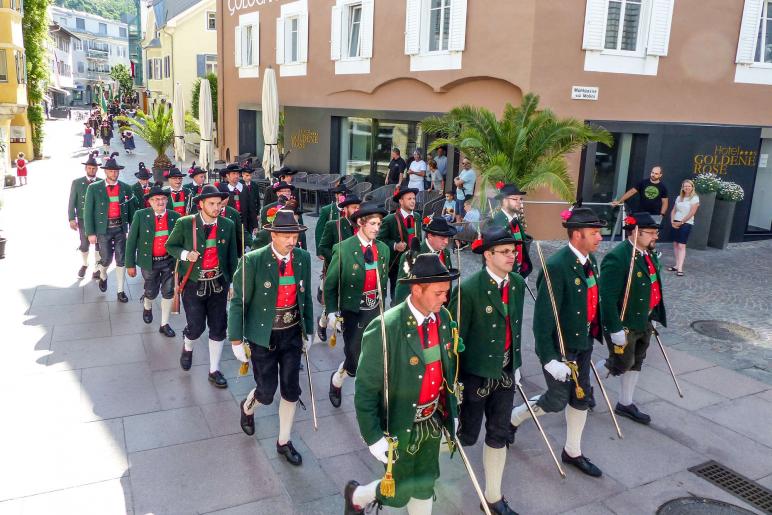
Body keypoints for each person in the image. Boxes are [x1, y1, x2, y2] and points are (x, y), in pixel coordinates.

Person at [343, 253, 460, 515]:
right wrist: (373, 437)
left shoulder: (442, 319)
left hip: (431, 422)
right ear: (417, 289)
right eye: (439, 293)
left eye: (446, 292)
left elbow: (446, 371)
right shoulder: (385, 328)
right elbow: (365, 390)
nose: (445, 298)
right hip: (400, 425)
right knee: (397, 495)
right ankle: (357, 496)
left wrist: (452, 412)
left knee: (425, 484)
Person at [510, 207, 607, 478]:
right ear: (577, 235)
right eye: (594, 233)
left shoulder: (591, 261)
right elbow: (542, 321)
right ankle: (515, 417)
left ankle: (572, 451)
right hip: (560, 347)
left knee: (581, 397)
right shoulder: (556, 267)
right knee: (556, 400)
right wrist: (550, 358)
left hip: (583, 342)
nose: (600, 237)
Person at [229, 209, 314, 466]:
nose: (292, 241)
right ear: (273, 234)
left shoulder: (302, 258)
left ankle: (283, 442)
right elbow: (237, 303)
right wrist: (236, 340)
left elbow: (305, 296)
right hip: (262, 336)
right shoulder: (253, 261)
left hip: (291, 334)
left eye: (295, 235)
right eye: (286, 235)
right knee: (266, 392)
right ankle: (248, 407)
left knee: (290, 389)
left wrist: (308, 331)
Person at [451, 227, 525, 515]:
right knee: (466, 436)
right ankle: (416, 465)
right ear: (488, 255)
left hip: (505, 371)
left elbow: (515, 328)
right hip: (475, 376)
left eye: (513, 251)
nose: (512, 256)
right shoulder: (468, 290)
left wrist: (516, 364)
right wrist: (455, 384)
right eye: (505, 252)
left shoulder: (517, 283)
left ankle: (493, 498)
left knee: (499, 432)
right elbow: (456, 341)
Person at [165, 185, 238, 389]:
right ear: (201, 204)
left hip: (218, 284)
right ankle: (188, 346)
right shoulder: (185, 223)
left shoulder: (228, 224)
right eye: (212, 204)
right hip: (193, 284)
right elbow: (170, 246)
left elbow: (233, 256)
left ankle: (214, 370)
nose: (217, 208)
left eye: (219, 204)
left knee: (218, 328)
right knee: (196, 327)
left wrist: (232, 282)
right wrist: (185, 255)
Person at [599, 212, 666, 425]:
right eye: (651, 232)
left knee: (637, 361)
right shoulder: (618, 257)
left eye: (656, 232)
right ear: (635, 232)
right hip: (624, 322)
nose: (655, 236)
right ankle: (584, 384)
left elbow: (653, 285)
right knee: (621, 363)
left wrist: (653, 313)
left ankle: (625, 403)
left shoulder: (649, 253)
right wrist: (615, 329)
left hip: (644, 319)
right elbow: (607, 299)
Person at [324, 201, 389, 409]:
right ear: (361, 223)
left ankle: (373, 401)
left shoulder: (384, 249)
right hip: (354, 311)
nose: (377, 229)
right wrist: (332, 311)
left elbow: (385, 282)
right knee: (353, 357)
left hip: (376, 310)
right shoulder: (343, 249)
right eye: (372, 224)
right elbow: (331, 285)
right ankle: (337, 380)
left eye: (379, 224)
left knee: (375, 356)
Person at [125, 183, 180, 338]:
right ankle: (147, 304)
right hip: (149, 262)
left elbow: (180, 240)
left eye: (163, 199)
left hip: (169, 261)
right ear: (150, 202)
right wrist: (130, 264)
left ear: (167, 201)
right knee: (151, 291)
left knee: (168, 292)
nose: (160, 202)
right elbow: (131, 241)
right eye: (156, 199)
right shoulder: (141, 215)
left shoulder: (174, 216)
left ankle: (164, 324)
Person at [83, 157, 137, 301]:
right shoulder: (94, 188)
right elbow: (88, 211)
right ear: (106, 171)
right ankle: (103, 274)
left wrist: (133, 230)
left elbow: (132, 211)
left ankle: (120, 290)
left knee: (121, 259)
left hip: (120, 228)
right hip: (103, 229)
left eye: (116, 171)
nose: (114, 173)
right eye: (111, 171)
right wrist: (90, 233)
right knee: (106, 259)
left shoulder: (126, 188)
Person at [393, 216, 456, 305]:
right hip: (422, 307)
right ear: (430, 236)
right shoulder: (412, 256)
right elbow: (402, 289)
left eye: (447, 238)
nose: (446, 242)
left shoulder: (445, 252)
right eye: (442, 238)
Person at [378, 181, 422, 304]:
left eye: (414, 198)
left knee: (414, 292)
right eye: (409, 199)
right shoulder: (390, 219)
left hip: (416, 261)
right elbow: (380, 240)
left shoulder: (417, 217)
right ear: (401, 201)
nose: (413, 201)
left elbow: (420, 238)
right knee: (397, 294)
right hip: (397, 263)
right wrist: (395, 245)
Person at [68, 151, 103, 279]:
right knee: (84, 243)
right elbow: (72, 201)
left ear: (97, 169)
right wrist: (72, 218)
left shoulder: (101, 182)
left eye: (94, 168)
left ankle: (97, 268)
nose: (92, 170)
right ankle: (84, 264)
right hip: (83, 218)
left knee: (99, 244)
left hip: (99, 219)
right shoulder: (77, 182)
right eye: (89, 168)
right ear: (85, 168)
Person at [491, 183, 532, 278]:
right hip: (504, 275)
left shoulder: (516, 220)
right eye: (515, 199)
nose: (519, 202)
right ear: (504, 200)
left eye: (520, 199)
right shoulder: (497, 222)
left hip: (519, 272)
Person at [669, 179, 699, 277]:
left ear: (692, 187)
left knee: (682, 245)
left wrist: (681, 222)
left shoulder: (695, 198)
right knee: (675, 244)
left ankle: (680, 268)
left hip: (686, 223)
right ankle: (676, 265)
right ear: (682, 187)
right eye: (685, 186)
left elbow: (692, 213)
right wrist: (672, 221)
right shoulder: (679, 198)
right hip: (676, 222)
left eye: (689, 186)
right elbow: (673, 210)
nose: (687, 188)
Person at [240, 164, 261, 236]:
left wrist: (257, 213)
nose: (249, 177)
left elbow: (257, 200)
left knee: (252, 233)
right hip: (243, 214)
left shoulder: (254, 185)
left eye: (250, 175)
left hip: (253, 213)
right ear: (242, 175)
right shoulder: (239, 185)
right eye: (247, 175)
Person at [454, 158, 477, 222]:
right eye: (463, 163)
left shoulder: (470, 173)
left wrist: (456, 181)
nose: (464, 165)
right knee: (457, 214)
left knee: (463, 217)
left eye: (467, 163)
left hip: (465, 197)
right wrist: (456, 181)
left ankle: (463, 231)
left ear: (471, 164)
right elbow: (457, 180)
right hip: (459, 196)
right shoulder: (464, 171)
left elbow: (457, 182)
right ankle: (458, 230)